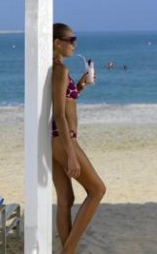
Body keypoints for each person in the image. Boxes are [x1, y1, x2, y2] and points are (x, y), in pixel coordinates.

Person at [51, 23, 106, 253]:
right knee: (97, 190)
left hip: (55, 139)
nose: (75, 44)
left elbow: (66, 102)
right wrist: (71, 154)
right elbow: (59, 115)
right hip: (63, 139)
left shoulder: (57, 69)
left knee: (66, 199)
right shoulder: (60, 70)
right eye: (71, 40)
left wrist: (81, 85)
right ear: (57, 43)